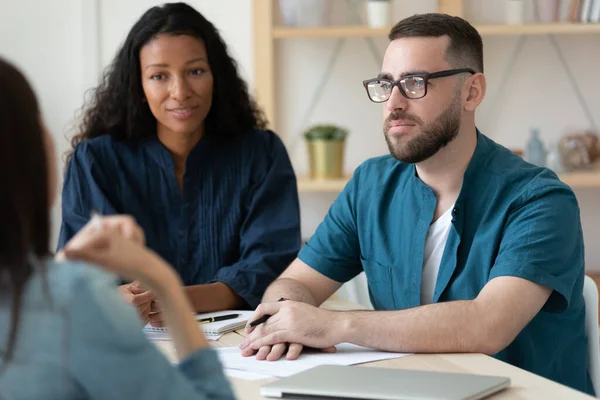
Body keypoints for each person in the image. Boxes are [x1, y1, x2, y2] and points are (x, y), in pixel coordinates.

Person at [239, 13, 593, 396]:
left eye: (414, 83)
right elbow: (295, 282)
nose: (394, 103)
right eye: (385, 84)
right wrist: (284, 321)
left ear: (471, 92)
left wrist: (335, 325)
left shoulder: (539, 200)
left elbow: (487, 325)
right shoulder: (370, 186)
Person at [0, 56, 235, 399]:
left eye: (196, 70)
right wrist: (163, 281)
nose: (179, 92)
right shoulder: (74, 299)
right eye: (39, 125)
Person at [56, 2, 301, 326]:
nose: (180, 91)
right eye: (159, 75)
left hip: (243, 339)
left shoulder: (262, 153)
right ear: (138, 86)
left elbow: (271, 263)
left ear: (217, 76)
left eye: (195, 71)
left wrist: (172, 297)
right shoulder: (96, 162)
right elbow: (79, 272)